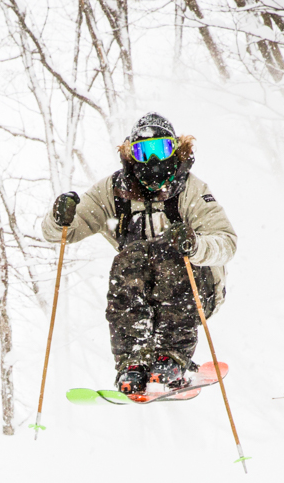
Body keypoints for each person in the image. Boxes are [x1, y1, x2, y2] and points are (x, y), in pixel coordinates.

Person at [41, 113, 238, 396]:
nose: (153, 161)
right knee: (129, 258)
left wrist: (195, 246)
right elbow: (61, 233)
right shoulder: (113, 191)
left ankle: (171, 356)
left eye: (162, 150)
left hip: (195, 291)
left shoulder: (191, 190)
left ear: (176, 149)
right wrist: (60, 219)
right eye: (144, 152)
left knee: (168, 254)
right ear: (131, 155)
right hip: (141, 295)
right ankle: (132, 360)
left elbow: (227, 242)